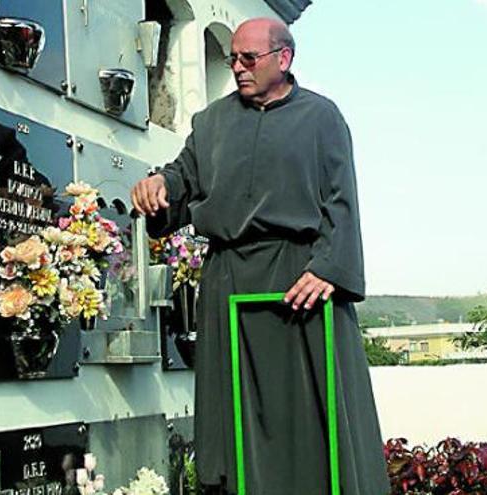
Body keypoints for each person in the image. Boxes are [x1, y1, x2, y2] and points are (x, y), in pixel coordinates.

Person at [130, 17, 389, 495]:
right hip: (228, 280)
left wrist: (329, 267)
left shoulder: (321, 117)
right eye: (233, 59)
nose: (239, 68)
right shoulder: (210, 123)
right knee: (234, 419)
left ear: (284, 58)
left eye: (249, 58)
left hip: (300, 280)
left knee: (315, 409)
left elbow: (341, 200)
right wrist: (157, 187)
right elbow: (180, 179)